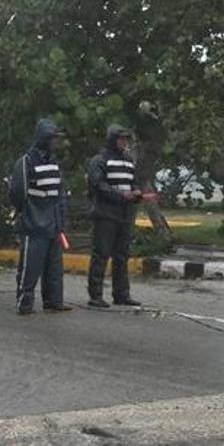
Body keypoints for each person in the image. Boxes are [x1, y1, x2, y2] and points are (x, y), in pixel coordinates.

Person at [8, 118, 72, 315]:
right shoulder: (27, 161)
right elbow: (18, 193)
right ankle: (24, 303)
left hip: (53, 222)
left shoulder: (53, 162)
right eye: (52, 138)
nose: (55, 142)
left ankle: (53, 302)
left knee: (54, 267)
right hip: (34, 222)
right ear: (44, 138)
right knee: (30, 266)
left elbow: (59, 192)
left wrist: (60, 220)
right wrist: (28, 215)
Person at [86, 124, 142, 308]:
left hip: (124, 214)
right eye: (121, 139)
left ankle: (121, 294)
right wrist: (121, 195)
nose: (124, 142)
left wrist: (136, 193)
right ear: (112, 139)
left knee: (122, 255)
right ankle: (95, 295)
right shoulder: (100, 160)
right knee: (101, 254)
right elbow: (97, 185)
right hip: (105, 213)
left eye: (126, 139)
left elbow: (131, 183)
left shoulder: (127, 160)